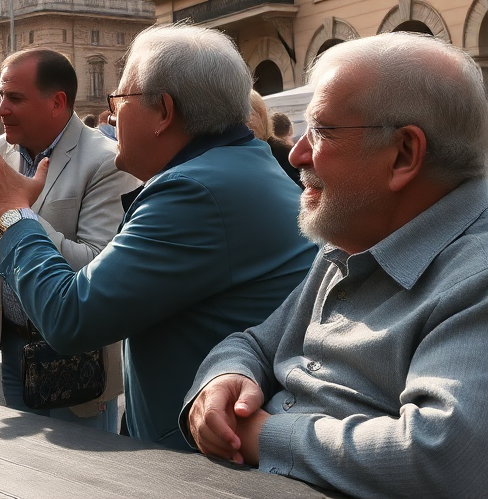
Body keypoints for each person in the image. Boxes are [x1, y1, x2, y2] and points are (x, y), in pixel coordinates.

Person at [0, 24, 313, 447]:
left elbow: (70, 317)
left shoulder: (192, 191)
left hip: (196, 460)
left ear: (165, 112)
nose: (112, 115)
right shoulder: (241, 163)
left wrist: (13, 210)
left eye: (120, 99)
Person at [182, 34, 488, 496]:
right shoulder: (354, 233)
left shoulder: (475, 273)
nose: (297, 153)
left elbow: (446, 456)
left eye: (322, 131)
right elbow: (256, 343)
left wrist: (263, 436)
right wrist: (227, 378)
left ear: (404, 153)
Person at [0, 48, 139, 431]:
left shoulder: (107, 160)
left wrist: (18, 210)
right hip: (12, 348)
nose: (1, 109)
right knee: (25, 479)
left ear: (57, 102)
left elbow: (95, 266)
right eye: (1, 95)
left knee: (82, 480)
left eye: (14, 98)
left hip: (76, 356)